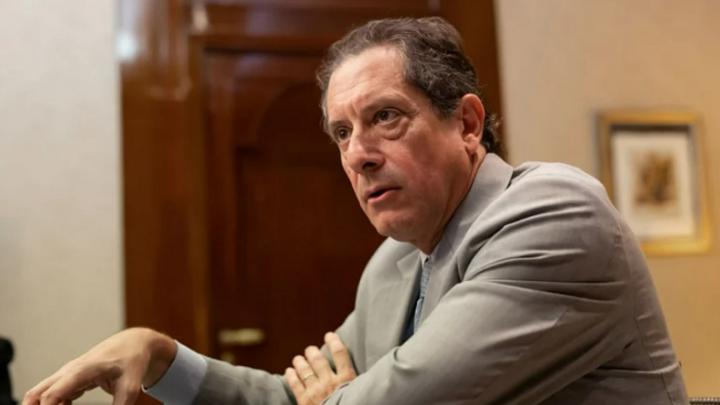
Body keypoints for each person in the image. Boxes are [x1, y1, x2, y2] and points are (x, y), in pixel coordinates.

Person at [23, 17, 688, 405]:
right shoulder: (395, 263)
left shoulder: (554, 213)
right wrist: (161, 356)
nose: (358, 155)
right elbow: (295, 397)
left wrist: (344, 396)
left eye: (385, 117)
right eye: (341, 133)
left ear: (466, 123)